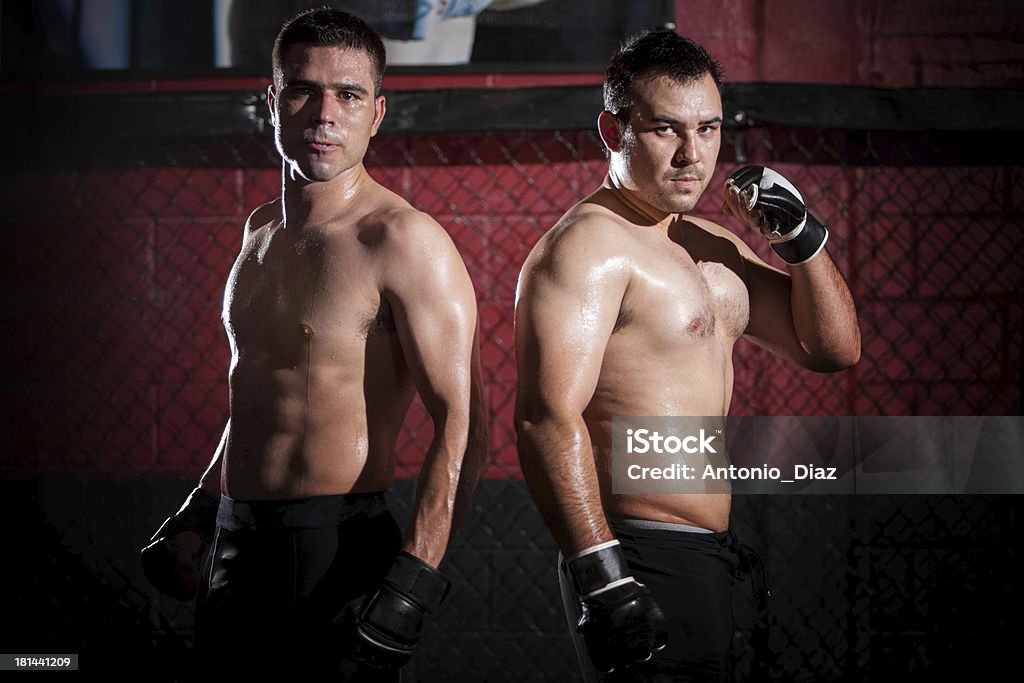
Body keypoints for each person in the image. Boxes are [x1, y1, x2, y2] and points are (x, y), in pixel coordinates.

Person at [140, 7, 487, 679]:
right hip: (236, 548)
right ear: (272, 102)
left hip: (336, 556)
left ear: (377, 114)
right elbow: (262, 393)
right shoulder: (260, 231)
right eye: (303, 89)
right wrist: (203, 506)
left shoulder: (403, 240)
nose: (325, 113)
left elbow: (465, 428)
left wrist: (412, 585)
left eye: (349, 95)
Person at [514, 30, 860, 682]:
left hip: (710, 557)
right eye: (665, 130)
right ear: (612, 130)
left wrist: (803, 240)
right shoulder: (589, 247)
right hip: (639, 555)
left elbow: (832, 348)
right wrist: (603, 575)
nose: (692, 154)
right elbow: (544, 418)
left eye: (708, 129)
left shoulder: (710, 245)